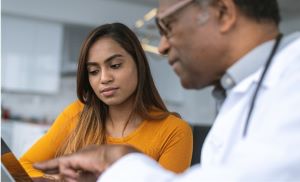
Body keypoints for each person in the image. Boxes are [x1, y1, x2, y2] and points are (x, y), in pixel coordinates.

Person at [34, 0, 300, 181]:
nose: (161, 47)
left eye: (168, 27)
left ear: (223, 12)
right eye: (93, 71)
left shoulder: (293, 80)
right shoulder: (240, 94)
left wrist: (118, 161)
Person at [20, 22, 193, 178]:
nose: (104, 78)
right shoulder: (76, 113)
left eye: (115, 66)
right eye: (94, 71)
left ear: (139, 65)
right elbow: (22, 167)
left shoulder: (174, 131)